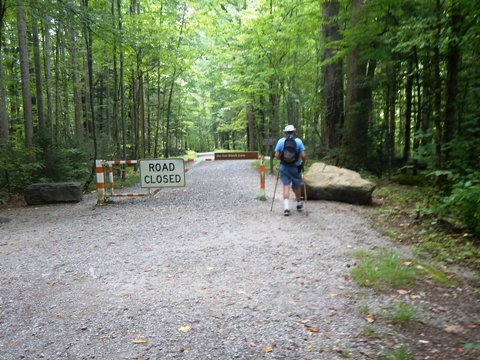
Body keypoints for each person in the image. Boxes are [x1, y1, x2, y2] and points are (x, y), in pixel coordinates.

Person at [274, 124, 306, 216]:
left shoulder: (281, 141)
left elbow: (276, 155)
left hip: (284, 167)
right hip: (295, 167)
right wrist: (302, 164)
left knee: (286, 186)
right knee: (296, 186)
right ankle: (299, 203)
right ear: (294, 132)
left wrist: (282, 159)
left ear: (285, 133)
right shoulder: (298, 141)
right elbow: (303, 156)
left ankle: (286, 208)